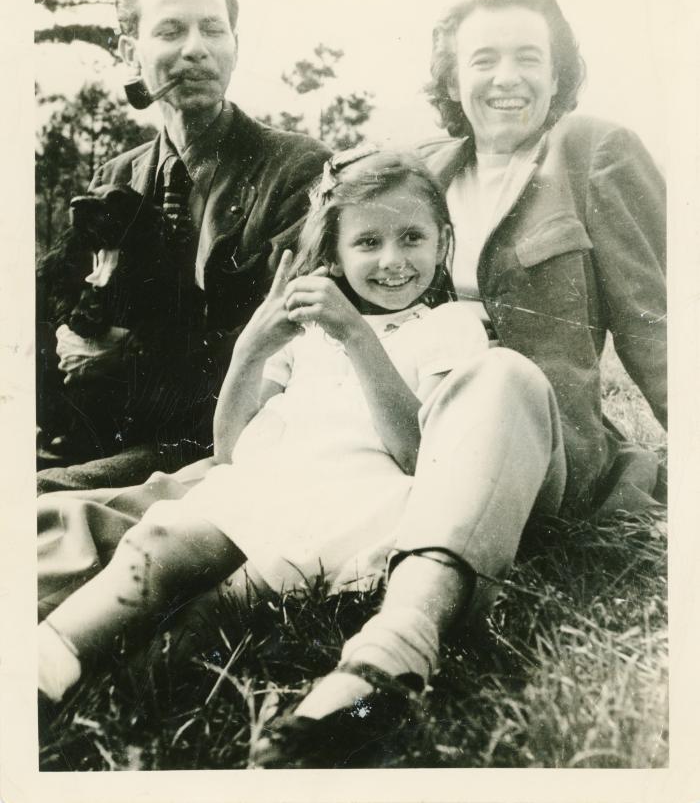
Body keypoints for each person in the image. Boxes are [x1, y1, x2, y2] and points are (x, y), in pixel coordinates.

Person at [252, 0, 666, 767]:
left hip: (540, 456)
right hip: (399, 438)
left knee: (502, 374)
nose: (505, 77)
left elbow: (661, 328)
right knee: (173, 503)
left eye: (527, 57)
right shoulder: (422, 168)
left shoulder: (594, 152)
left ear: (558, 72)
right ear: (449, 75)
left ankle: (397, 643)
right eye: (483, 58)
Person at [37, 149, 489, 723]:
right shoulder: (307, 330)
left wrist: (358, 339)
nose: (392, 260)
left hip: (353, 504)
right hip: (264, 485)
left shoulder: (452, 328)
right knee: (154, 549)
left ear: (443, 240)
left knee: (209, 617)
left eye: (411, 238)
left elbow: (417, 455)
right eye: (368, 243)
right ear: (335, 253)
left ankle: (120, 704)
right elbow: (229, 450)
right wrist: (252, 347)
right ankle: (41, 668)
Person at [36, 0, 328, 536]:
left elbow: (283, 347)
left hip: (218, 445)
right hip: (102, 434)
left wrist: (125, 362)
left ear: (234, 46)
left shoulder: (297, 170)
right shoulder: (113, 180)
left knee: (36, 501)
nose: (196, 48)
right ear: (129, 52)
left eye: (212, 29)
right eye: (170, 30)